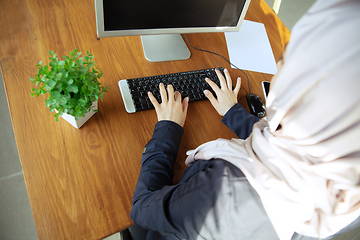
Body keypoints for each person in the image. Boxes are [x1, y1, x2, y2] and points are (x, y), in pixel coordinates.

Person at [130, 0, 360, 239]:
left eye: (288, 63)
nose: (278, 70)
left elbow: (142, 207)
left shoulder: (221, 192)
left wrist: (168, 128)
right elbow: (294, 148)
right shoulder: (345, 195)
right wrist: (233, 112)